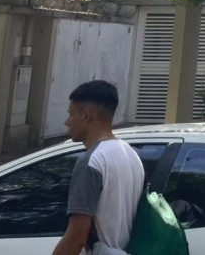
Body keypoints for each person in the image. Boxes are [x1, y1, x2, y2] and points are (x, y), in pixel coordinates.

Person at [52, 80, 145, 255]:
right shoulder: (130, 154)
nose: (67, 122)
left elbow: (76, 238)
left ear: (86, 115)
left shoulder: (91, 162)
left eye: (71, 114)